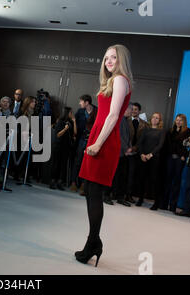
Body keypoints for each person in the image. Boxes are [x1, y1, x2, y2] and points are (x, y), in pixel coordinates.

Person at [76, 44, 133, 267]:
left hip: (105, 140)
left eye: (114, 57)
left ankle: (93, 243)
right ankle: (94, 242)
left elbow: (113, 116)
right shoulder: (111, 80)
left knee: (95, 192)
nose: (109, 61)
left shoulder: (120, 79)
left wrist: (98, 143)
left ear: (122, 60)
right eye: (106, 57)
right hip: (99, 137)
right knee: (90, 190)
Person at [136, 112, 166, 209]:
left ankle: (156, 202)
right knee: (141, 179)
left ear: (159, 121)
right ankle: (140, 199)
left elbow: (160, 145)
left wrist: (151, 154)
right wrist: (142, 154)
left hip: (154, 159)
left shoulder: (161, 131)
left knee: (154, 181)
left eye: (157, 118)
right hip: (143, 158)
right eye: (153, 117)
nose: (154, 119)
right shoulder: (146, 129)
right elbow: (140, 143)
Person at [163, 114, 190, 212]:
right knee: (167, 180)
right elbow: (168, 145)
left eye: (180, 120)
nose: (178, 122)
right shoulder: (170, 131)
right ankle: (164, 203)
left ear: (184, 121)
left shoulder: (187, 131)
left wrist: (184, 155)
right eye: (177, 120)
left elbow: (187, 145)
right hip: (170, 158)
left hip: (180, 159)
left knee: (176, 181)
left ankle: (173, 205)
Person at [70, 94, 97, 195]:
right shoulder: (80, 111)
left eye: (81, 101)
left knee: (87, 163)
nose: (79, 103)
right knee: (78, 160)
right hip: (81, 139)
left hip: (92, 141)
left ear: (87, 103)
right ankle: (73, 182)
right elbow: (74, 122)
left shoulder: (96, 111)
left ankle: (83, 184)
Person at [111, 102, 133, 207]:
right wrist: (126, 149)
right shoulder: (120, 120)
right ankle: (106, 195)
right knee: (113, 176)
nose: (132, 111)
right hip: (118, 153)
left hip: (124, 153)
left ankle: (120, 197)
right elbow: (119, 136)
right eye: (131, 109)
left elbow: (127, 137)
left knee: (122, 176)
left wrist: (129, 147)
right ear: (126, 109)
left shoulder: (126, 120)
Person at [126, 102, 148, 202]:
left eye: (136, 109)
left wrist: (134, 148)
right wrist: (127, 147)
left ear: (139, 111)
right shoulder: (125, 120)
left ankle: (129, 195)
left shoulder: (144, 124)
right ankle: (117, 193)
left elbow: (143, 140)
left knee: (132, 175)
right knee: (122, 173)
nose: (134, 111)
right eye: (132, 109)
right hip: (125, 150)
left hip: (136, 152)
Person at [50, 107, 76, 190]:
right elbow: (57, 135)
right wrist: (65, 129)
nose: (72, 114)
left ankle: (60, 182)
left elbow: (75, 133)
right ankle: (53, 181)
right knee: (56, 164)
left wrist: (74, 122)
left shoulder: (70, 122)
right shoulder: (60, 122)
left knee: (63, 166)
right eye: (70, 113)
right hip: (58, 146)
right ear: (67, 113)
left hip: (66, 147)